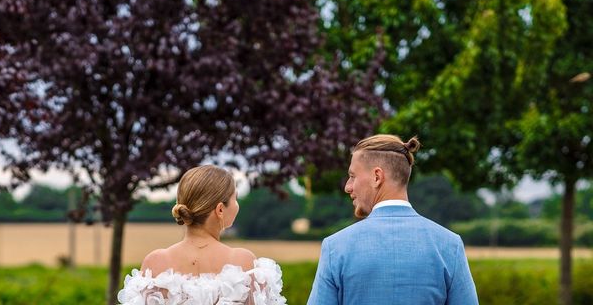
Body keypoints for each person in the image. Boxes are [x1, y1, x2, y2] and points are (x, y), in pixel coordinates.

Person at [307, 134, 479, 305]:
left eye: (352, 176)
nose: (347, 187)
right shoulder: (450, 245)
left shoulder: (335, 247)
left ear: (377, 177)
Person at [117, 165, 286, 305]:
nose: (237, 205)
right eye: (235, 198)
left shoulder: (156, 262)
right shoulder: (242, 262)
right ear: (220, 209)